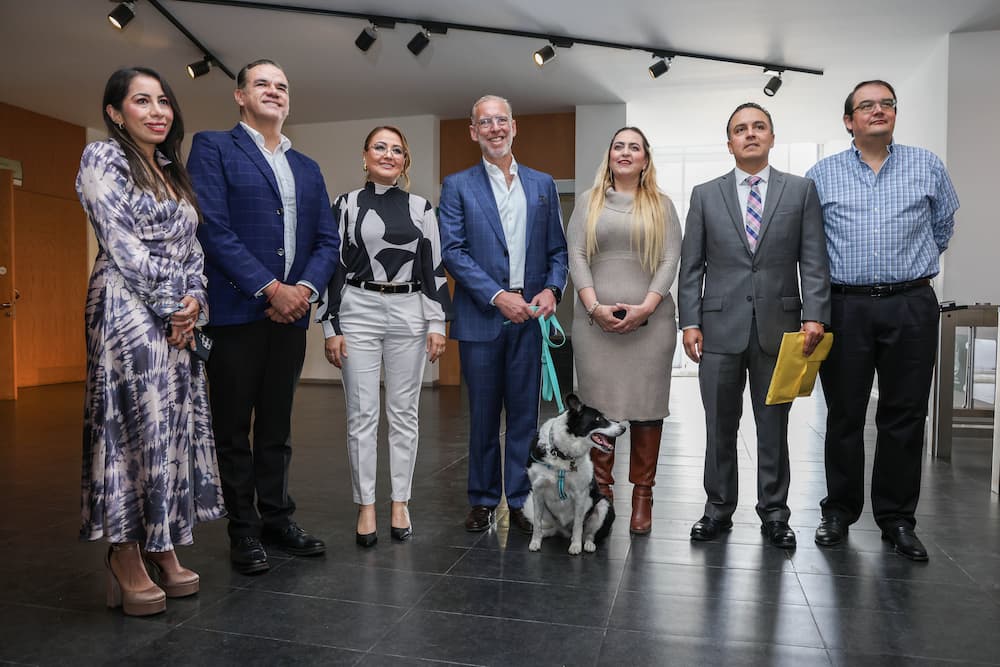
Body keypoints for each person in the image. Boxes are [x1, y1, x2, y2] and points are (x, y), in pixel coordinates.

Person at [76, 67, 226, 616]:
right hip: (125, 306)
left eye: (163, 100)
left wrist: (194, 304)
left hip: (176, 313)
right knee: (133, 425)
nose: (158, 111)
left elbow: (193, 249)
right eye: (142, 101)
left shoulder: (169, 169)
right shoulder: (102, 157)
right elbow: (121, 242)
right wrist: (172, 303)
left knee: (170, 426)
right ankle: (124, 551)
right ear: (115, 113)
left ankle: (161, 541)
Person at [187, 59, 340, 574]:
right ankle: (244, 532)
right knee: (233, 430)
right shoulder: (213, 147)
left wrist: (302, 291)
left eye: (282, 86)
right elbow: (212, 227)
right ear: (240, 95)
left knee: (276, 427)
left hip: (289, 318)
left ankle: (277, 519)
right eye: (262, 84)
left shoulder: (307, 167)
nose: (274, 91)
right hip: (236, 314)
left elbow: (327, 241)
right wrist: (271, 288)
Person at [806, 80, 959, 561]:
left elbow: (943, 227)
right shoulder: (822, 174)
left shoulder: (927, 165)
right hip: (845, 307)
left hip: (911, 304)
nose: (879, 110)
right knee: (844, 414)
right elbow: (810, 245)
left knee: (905, 414)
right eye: (867, 105)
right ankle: (839, 511)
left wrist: (906, 271)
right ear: (848, 120)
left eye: (887, 103)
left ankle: (896, 519)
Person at [678, 102, 831, 549]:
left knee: (774, 426)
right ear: (729, 143)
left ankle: (775, 514)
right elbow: (692, 266)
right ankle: (717, 508)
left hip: (780, 329)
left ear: (771, 137)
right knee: (719, 425)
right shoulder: (704, 195)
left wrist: (815, 314)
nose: (750, 134)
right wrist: (690, 322)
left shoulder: (800, 191)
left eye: (758, 127)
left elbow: (813, 260)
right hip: (718, 328)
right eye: (740, 129)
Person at [439, 94, 568, 534]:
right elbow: (453, 252)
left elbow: (557, 250)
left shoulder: (542, 184)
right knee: (482, 417)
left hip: (530, 319)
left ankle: (519, 499)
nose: (494, 128)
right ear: (473, 131)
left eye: (501, 120)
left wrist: (552, 288)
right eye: (485, 122)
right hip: (482, 317)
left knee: (525, 418)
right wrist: (497, 296)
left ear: (514, 127)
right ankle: (482, 499)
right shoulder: (457, 186)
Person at [317, 126, 452, 547]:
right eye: (380, 147)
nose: (388, 154)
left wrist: (437, 323)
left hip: (409, 312)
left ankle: (399, 503)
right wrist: (330, 326)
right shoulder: (345, 205)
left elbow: (433, 266)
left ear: (405, 161)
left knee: (404, 413)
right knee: (362, 414)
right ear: (365, 156)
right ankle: (366, 506)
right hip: (358, 310)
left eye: (397, 150)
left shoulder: (420, 207)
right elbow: (332, 266)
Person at [566, 127, 682, 535]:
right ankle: (602, 495)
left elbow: (670, 259)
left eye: (635, 147)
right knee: (599, 409)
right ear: (610, 156)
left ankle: (643, 497)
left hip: (652, 327)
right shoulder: (589, 201)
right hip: (594, 326)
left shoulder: (662, 205)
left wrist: (646, 307)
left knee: (648, 408)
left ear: (646, 158)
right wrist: (593, 307)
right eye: (619, 146)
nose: (626, 152)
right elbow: (576, 255)